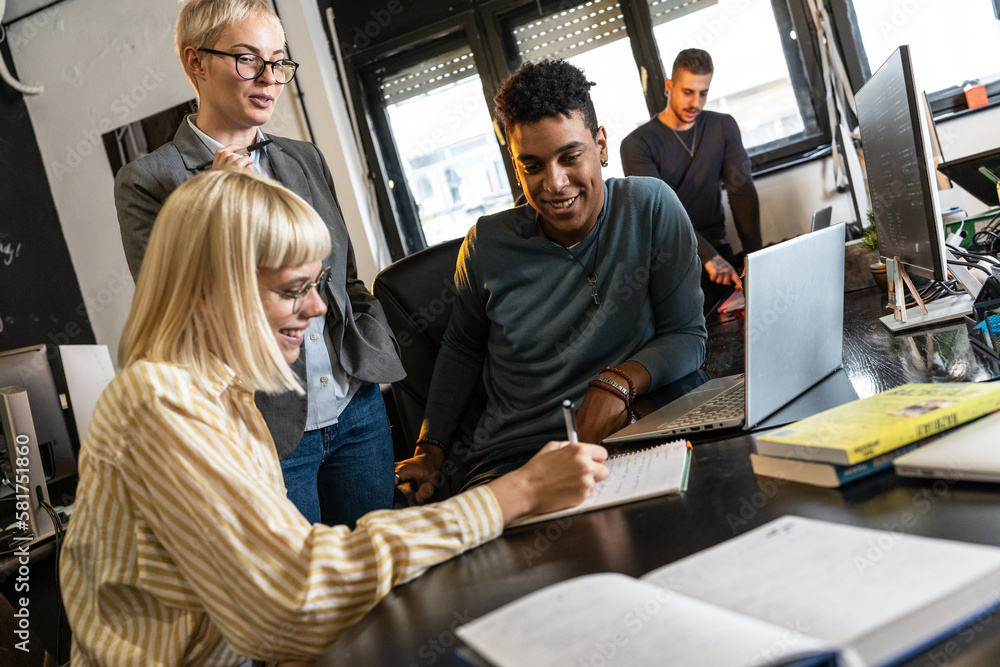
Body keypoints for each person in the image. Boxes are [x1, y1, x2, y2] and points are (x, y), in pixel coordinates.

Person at [61, 169, 609, 666]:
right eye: (293, 290)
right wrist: (517, 493)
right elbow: (294, 600)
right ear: (214, 293)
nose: (319, 308)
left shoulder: (224, 398)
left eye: (317, 284)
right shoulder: (161, 403)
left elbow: (262, 601)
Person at [114, 0, 402, 528]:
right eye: (248, 59)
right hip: (266, 432)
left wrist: (369, 358)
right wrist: (222, 201)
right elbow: (183, 316)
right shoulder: (149, 180)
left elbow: (348, 280)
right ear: (195, 62)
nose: (270, 78)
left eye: (279, 61)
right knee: (306, 601)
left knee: (386, 578)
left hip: (356, 410)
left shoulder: (304, 158)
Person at [396, 59, 707, 501]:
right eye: (533, 166)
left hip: (624, 433)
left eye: (570, 156)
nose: (555, 183)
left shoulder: (650, 207)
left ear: (601, 145)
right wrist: (430, 451)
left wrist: (615, 383)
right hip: (516, 459)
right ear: (515, 165)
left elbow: (688, 336)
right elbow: (461, 351)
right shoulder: (485, 245)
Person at [620, 48, 763, 310]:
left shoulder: (723, 126)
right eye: (688, 92)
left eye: (703, 93)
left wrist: (757, 259)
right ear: (669, 86)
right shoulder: (636, 145)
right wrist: (706, 256)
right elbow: (661, 213)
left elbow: (741, 193)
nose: (695, 103)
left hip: (719, 253)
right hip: (672, 263)